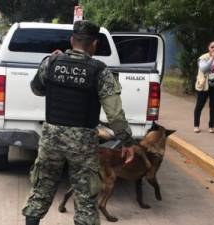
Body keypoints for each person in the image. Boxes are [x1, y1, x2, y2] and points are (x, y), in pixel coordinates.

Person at [22, 20, 139, 225]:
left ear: (71, 40)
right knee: (85, 200)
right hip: (83, 144)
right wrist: (128, 142)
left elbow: (37, 89)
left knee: (41, 191)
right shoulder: (100, 71)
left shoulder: (51, 62)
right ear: (94, 44)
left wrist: (51, 62)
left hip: (51, 140)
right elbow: (115, 114)